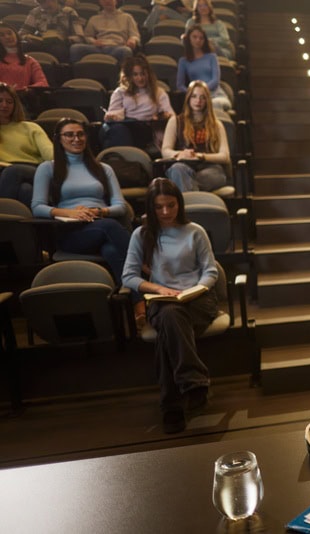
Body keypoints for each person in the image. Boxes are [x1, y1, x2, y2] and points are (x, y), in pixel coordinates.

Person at [122, 177, 218, 434]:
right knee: (170, 315)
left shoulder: (195, 231)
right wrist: (159, 289)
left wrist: (195, 289)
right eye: (159, 207)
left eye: (171, 205)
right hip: (162, 300)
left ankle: (172, 406)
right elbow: (129, 277)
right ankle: (193, 383)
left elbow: (211, 272)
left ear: (180, 204)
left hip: (198, 299)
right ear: (151, 208)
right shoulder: (141, 235)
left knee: (169, 323)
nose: (165, 212)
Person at [31, 118, 131, 281]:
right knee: (111, 227)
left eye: (80, 134)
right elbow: (37, 207)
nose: (76, 139)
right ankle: (144, 267)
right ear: (59, 139)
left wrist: (98, 211)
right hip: (72, 232)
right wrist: (69, 213)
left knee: (111, 250)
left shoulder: (104, 168)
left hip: (102, 224)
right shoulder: (48, 168)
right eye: (69, 135)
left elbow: (121, 206)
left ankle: (134, 298)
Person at [161, 80, 229, 192]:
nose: (198, 101)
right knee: (177, 170)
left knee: (183, 179)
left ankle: (186, 196)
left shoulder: (217, 125)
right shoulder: (175, 121)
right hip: (184, 166)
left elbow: (225, 156)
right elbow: (165, 151)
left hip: (210, 168)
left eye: (202, 97)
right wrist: (180, 154)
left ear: (207, 100)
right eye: (194, 96)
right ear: (188, 98)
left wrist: (201, 156)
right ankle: (194, 200)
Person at [101, 54, 174, 152]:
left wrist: (161, 116)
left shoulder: (158, 92)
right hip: (125, 126)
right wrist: (113, 116)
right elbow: (113, 116)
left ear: (148, 74)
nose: (140, 78)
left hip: (146, 129)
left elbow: (171, 116)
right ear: (129, 76)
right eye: (135, 75)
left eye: (143, 74)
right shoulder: (120, 92)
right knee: (117, 130)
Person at [0, 83, 54, 206]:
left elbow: (50, 153)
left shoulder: (30, 127)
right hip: (3, 172)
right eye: (0, 101)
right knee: (25, 190)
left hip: (33, 170)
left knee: (13, 172)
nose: (4, 105)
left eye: (9, 102)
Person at [176, 25, 230, 111]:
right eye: (194, 37)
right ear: (189, 39)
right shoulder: (183, 61)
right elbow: (180, 85)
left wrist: (202, 91)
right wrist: (193, 94)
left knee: (214, 105)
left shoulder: (212, 57)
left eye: (201, 38)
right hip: (196, 98)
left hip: (216, 95)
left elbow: (215, 80)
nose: (198, 40)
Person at [71, 0, 141, 64]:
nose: (107, 1)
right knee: (75, 48)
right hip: (98, 47)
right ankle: (76, 76)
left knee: (126, 51)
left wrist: (132, 40)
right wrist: (94, 41)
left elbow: (135, 35)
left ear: (116, 1)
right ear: (100, 2)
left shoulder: (127, 17)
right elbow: (87, 36)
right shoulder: (94, 18)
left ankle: (124, 77)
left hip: (118, 47)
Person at [18, 0, 84, 63]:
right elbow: (22, 33)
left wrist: (65, 39)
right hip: (41, 43)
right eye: (40, 2)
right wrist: (26, 37)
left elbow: (80, 37)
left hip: (63, 44)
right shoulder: (36, 12)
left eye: (49, 8)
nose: (44, 7)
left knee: (57, 50)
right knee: (22, 46)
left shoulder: (69, 12)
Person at [1, 22, 49, 90]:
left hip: (23, 97)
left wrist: (25, 89)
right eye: (2, 35)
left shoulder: (30, 61)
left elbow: (43, 83)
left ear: (16, 35)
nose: (7, 37)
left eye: (9, 33)